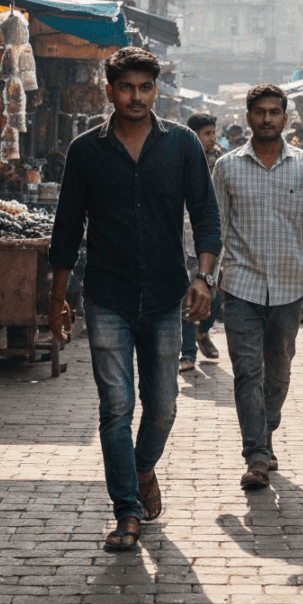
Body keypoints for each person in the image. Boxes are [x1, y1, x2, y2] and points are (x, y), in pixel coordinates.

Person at [47, 47, 221, 552]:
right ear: (110, 91)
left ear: (156, 91)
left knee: (163, 407)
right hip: (107, 295)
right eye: (127, 87)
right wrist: (58, 296)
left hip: (168, 295)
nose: (136, 97)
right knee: (116, 406)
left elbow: (206, 215)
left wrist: (204, 277)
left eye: (145, 88)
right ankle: (125, 510)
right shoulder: (85, 150)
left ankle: (143, 467)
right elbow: (67, 227)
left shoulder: (182, 144)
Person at [213, 84, 303, 491]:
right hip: (241, 286)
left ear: (285, 118)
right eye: (260, 112)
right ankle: (256, 456)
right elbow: (215, 226)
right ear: (248, 117)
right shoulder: (227, 167)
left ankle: (266, 433)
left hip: (288, 289)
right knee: (247, 372)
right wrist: (206, 277)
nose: (267, 119)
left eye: (274, 112)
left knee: (278, 373)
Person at [180, 112, 224, 372]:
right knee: (189, 295)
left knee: (214, 295)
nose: (212, 139)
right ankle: (187, 353)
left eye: (213, 133)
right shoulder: (179, 158)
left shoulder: (220, 161)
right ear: (193, 134)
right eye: (206, 133)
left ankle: (202, 332)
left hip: (211, 239)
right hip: (183, 236)